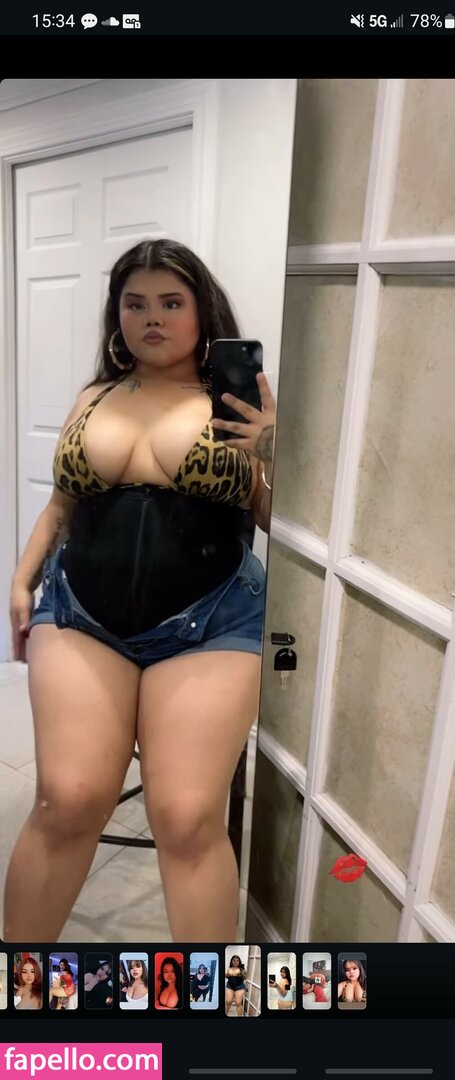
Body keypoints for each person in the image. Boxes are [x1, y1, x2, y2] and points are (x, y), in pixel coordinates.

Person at [5, 237, 276, 944]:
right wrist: (22, 577)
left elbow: (281, 521)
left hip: (213, 620)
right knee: (66, 800)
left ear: (202, 311)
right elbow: (62, 504)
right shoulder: (95, 397)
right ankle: (21, 989)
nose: (152, 317)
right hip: (81, 613)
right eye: (135, 303)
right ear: (116, 314)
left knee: (186, 818)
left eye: (171, 302)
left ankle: (206, 999)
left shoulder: (236, 402)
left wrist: (269, 450)